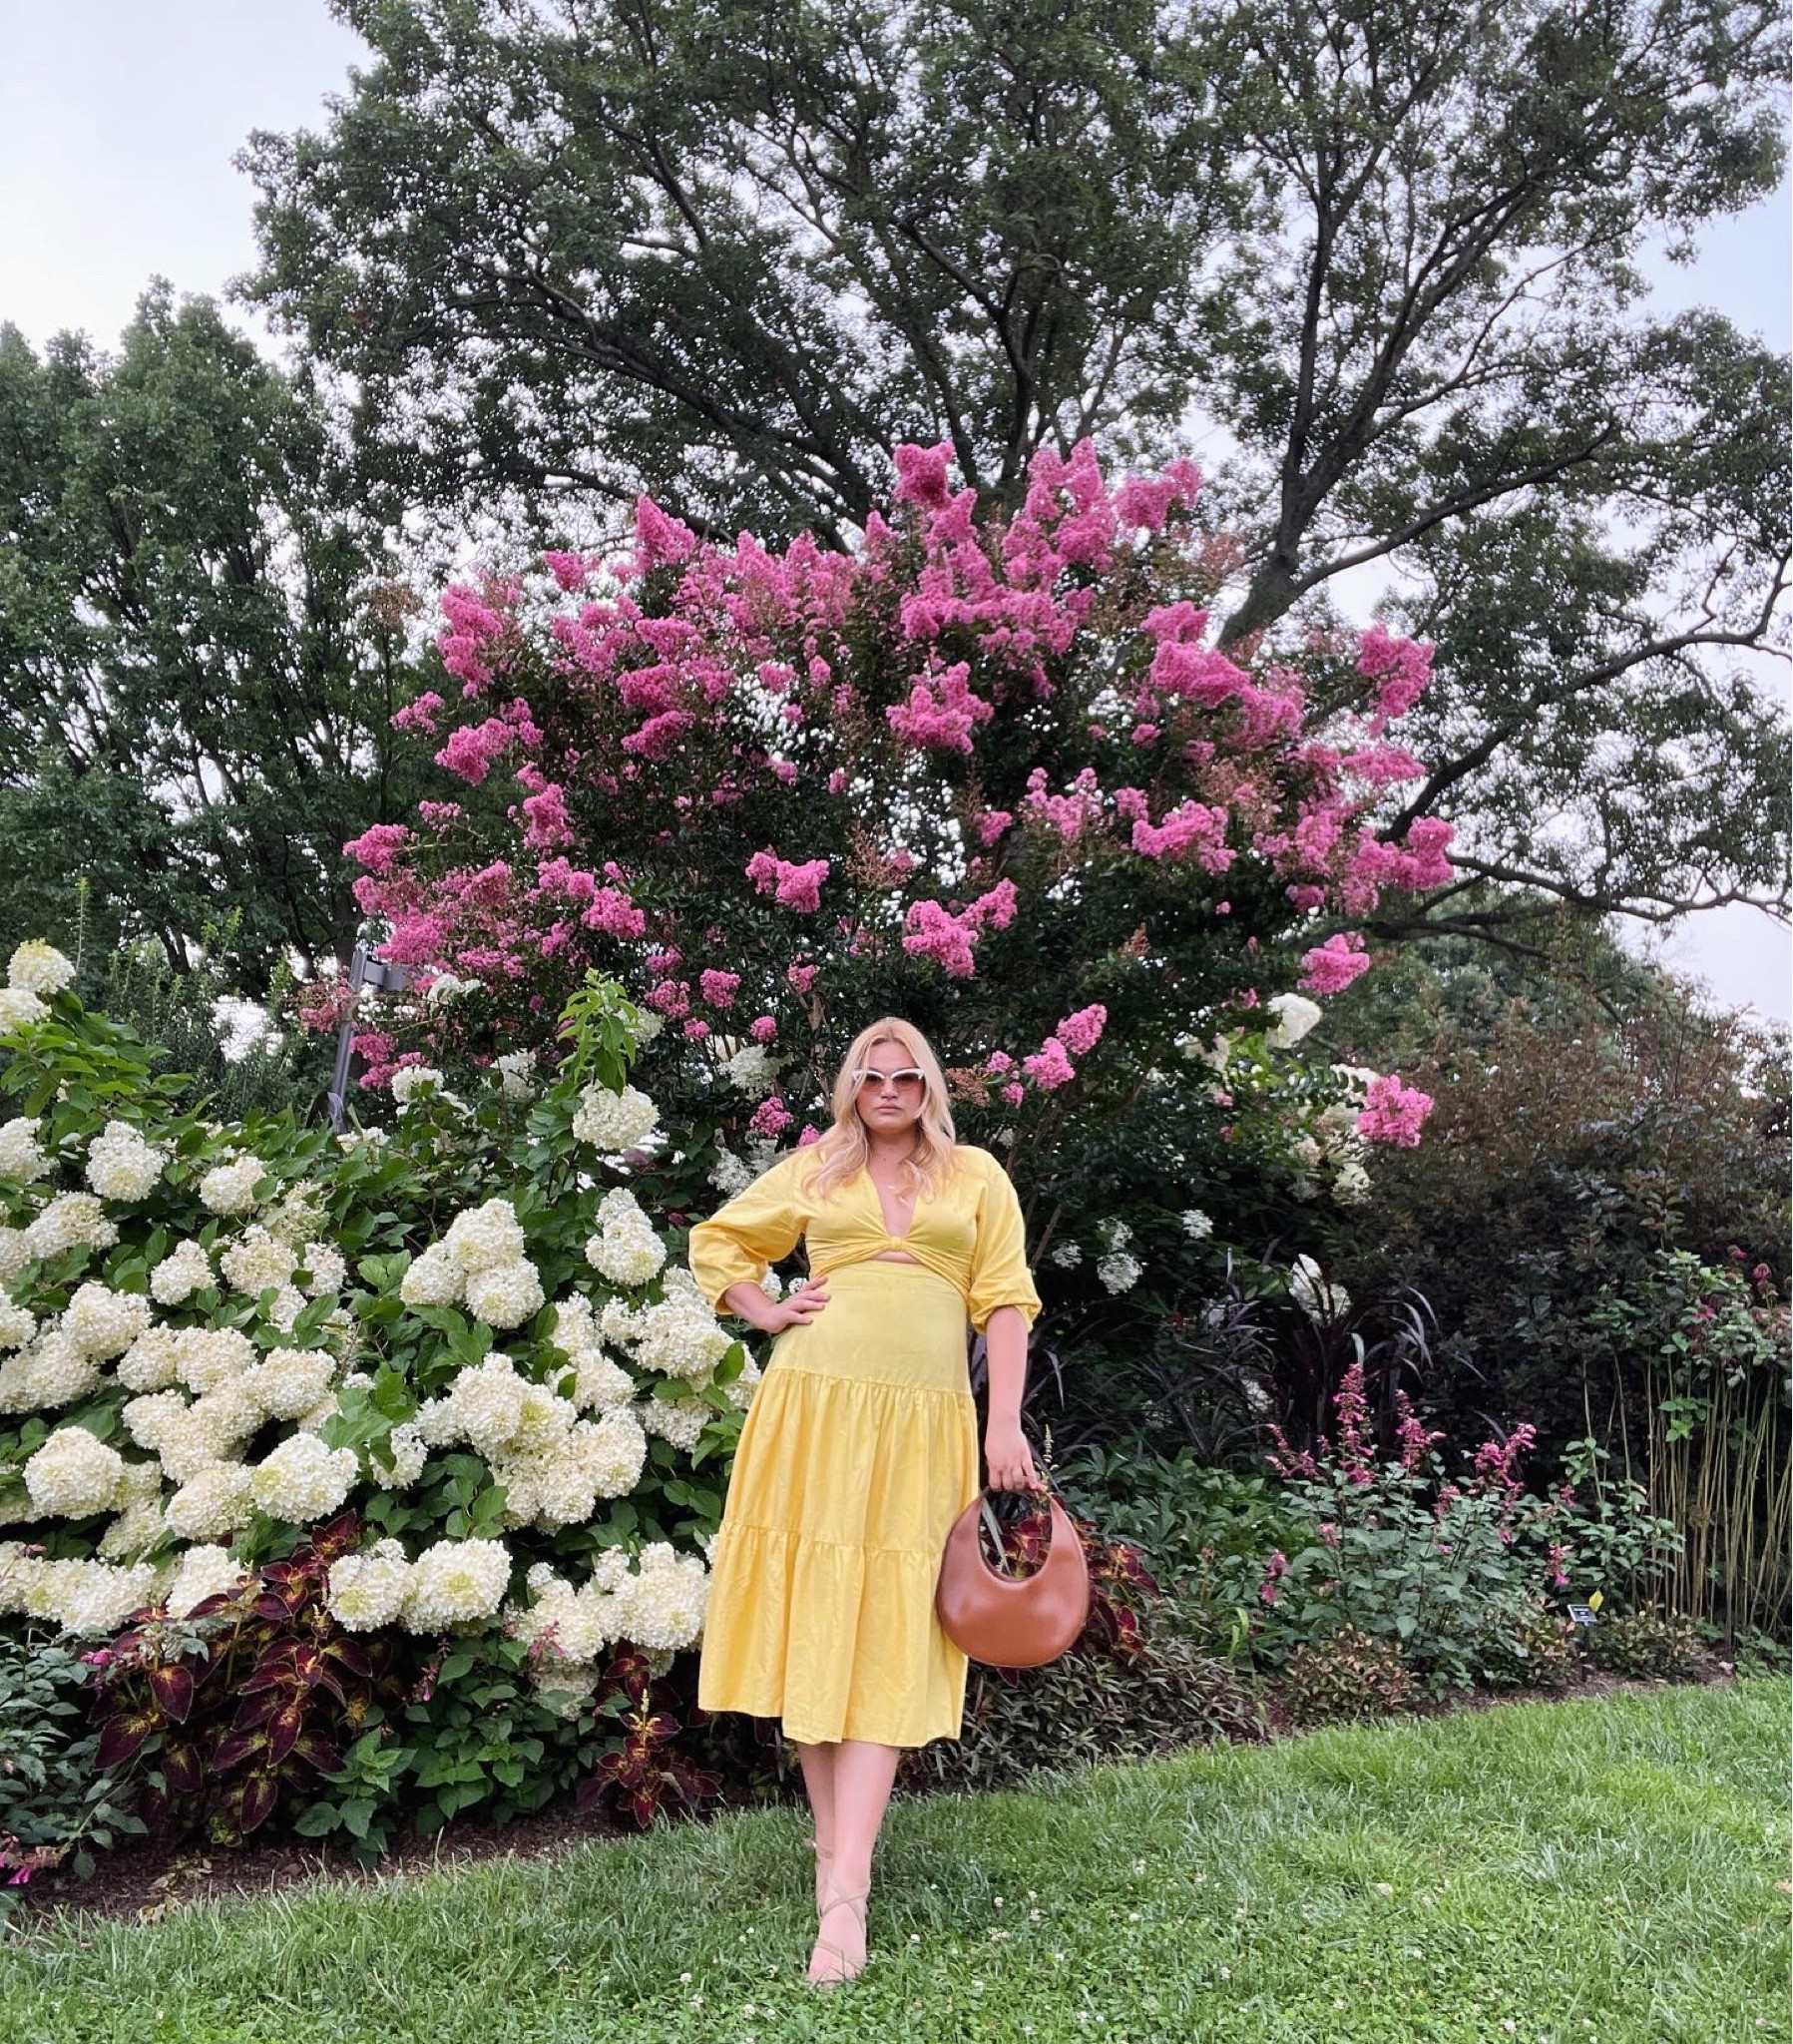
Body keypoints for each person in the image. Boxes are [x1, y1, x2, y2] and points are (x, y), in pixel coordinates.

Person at [686, 1015, 1043, 1987]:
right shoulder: (819, 1167)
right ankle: (837, 1871)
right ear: (852, 1085)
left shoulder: (976, 1177)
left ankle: (846, 1881)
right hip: (811, 1405)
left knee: (887, 1622)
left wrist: (1001, 1421)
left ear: (929, 1086)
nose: (889, 1090)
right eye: (872, 1075)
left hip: (925, 1418)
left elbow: (1004, 1298)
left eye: (907, 1077)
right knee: (817, 1615)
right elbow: (721, 1243)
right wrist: (765, 1306)